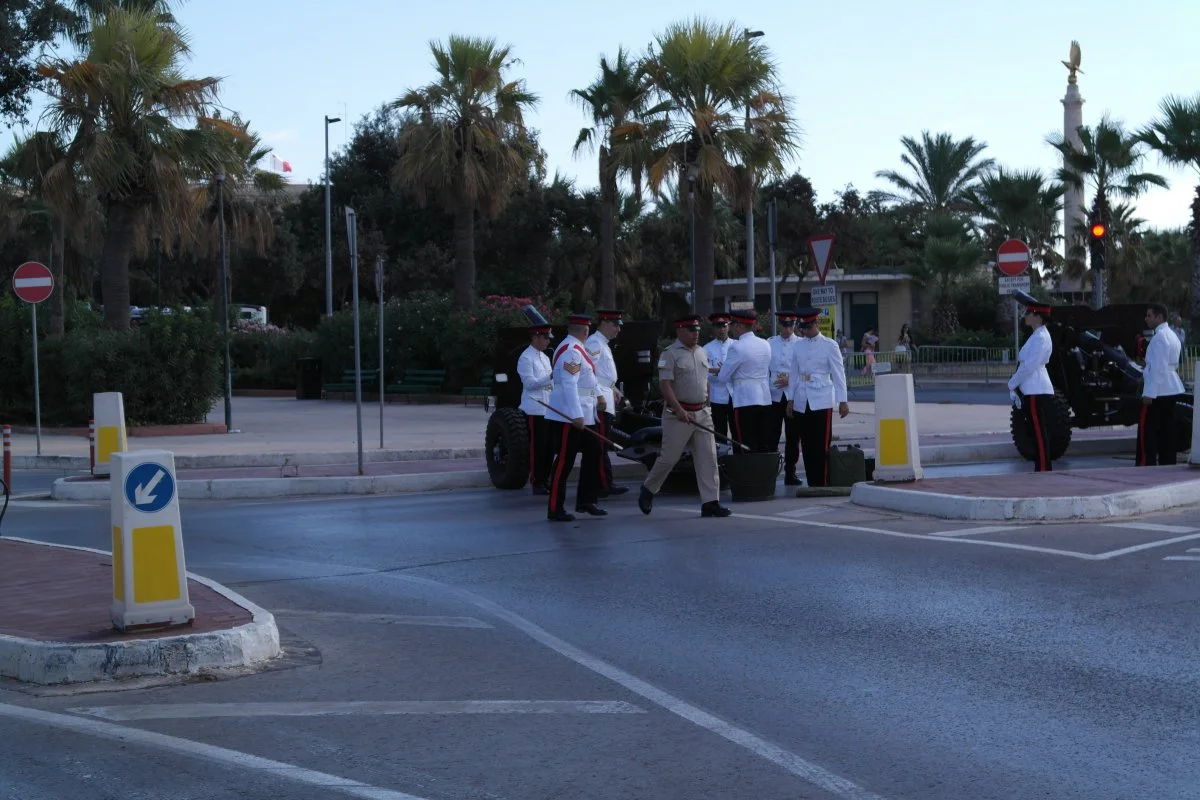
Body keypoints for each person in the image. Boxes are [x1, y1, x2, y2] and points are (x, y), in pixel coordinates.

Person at [637, 315, 732, 518]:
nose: (695, 333)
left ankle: (710, 502)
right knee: (669, 458)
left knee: (709, 458)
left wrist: (707, 401)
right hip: (678, 414)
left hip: (702, 413)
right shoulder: (670, 354)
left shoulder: (701, 352)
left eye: (697, 330)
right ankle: (648, 489)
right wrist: (679, 409)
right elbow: (665, 385)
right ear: (679, 330)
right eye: (691, 330)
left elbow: (704, 379)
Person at [545, 313, 606, 521]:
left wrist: (599, 395)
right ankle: (555, 508)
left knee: (594, 451)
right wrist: (576, 415)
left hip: (585, 413)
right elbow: (570, 385)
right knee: (564, 461)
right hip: (569, 416)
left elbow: (587, 377)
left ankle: (586, 501)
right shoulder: (571, 352)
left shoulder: (578, 350)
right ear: (585, 331)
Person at [785, 307, 850, 487]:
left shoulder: (830, 345)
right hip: (801, 398)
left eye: (809, 327)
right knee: (806, 444)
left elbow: (838, 373)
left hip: (821, 397)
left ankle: (822, 481)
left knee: (821, 444)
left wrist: (842, 400)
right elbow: (794, 372)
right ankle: (812, 482)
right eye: (803, 328)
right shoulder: (798, 345)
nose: (806, 331)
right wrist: (790, 399)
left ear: (816, 324)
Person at [1008, 299, 1055, 472]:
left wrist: (1012, 383)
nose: (1025, 316)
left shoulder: (1041, 337)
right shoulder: (1037, 336)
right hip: (1032, 388)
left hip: (1037, 389)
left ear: (1037, 316)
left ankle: (1043, 468)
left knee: (1038, 431)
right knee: (1035, 431)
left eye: (1028, 313)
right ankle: (1041, 466)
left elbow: (1029, 366)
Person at [717, 309, 773, 452]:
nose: (731, 328)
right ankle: (764, 474)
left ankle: (748, 473)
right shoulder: (765, 344)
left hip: (745, 400)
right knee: (763, 442)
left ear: (739, 326)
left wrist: (725, 369)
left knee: (745, 444)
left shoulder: (737, 347)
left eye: (732, 325)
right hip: (765, 399)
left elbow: (723, 377)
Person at [585, 309, 628, 496]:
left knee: (603, 444)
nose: (618, 329)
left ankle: (604, 482)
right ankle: (603, 484)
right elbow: (588, 371)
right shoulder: (594, 342)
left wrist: (614, 389)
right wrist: (600, 395)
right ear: (603, 323)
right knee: (601, 444)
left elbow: (604, 375)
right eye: (615, 325)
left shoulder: (603, 343)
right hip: (599, 400)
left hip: (606, 394)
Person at [1138, 303, 1186, 466]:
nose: (1146, 319)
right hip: (1171, 386)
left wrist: (1149, 393)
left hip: (1159, 390)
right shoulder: (1172, 335)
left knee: (1149, 433)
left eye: (1149, 316)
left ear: (1159, 317)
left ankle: (1147, 465)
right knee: (1167, 431)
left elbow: (1158, 368)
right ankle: (1167, 463)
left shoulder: (1159, 338)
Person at [517, 322, 554, 494]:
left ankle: (545, 479)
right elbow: (530, 384)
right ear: (535, 337)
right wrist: (550, 377)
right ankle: (536, 481)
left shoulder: (545, 357)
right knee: (537, 448)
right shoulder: (526, 358)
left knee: (549, 448)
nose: (548, 341)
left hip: (548, 408)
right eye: (545, 338)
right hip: (535, 407)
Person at [767, 310, 802, 483]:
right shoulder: (770, 343)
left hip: (792, 395)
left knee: (793, 437)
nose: (787, 329)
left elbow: (805, 369)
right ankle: (771, 472)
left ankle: (790, 472)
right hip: (773, 395)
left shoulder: (801, 344)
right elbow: (764, 367)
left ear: (795, 325)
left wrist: (789, 379)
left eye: (790, 325)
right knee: (771, 436)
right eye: (784, 325)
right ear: (779, 325)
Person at [704, 312, 734, 443]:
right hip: (717, 395)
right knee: (719, 432)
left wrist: (724, 371)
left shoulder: (736, 345)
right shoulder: (707, 348)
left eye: (724, 326)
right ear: (713, 329)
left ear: (728, 327)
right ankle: (720, 460)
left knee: (737, 431)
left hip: (735, 394)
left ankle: (738, 460)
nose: (721, 329)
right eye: (718, 326)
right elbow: (704, 373)